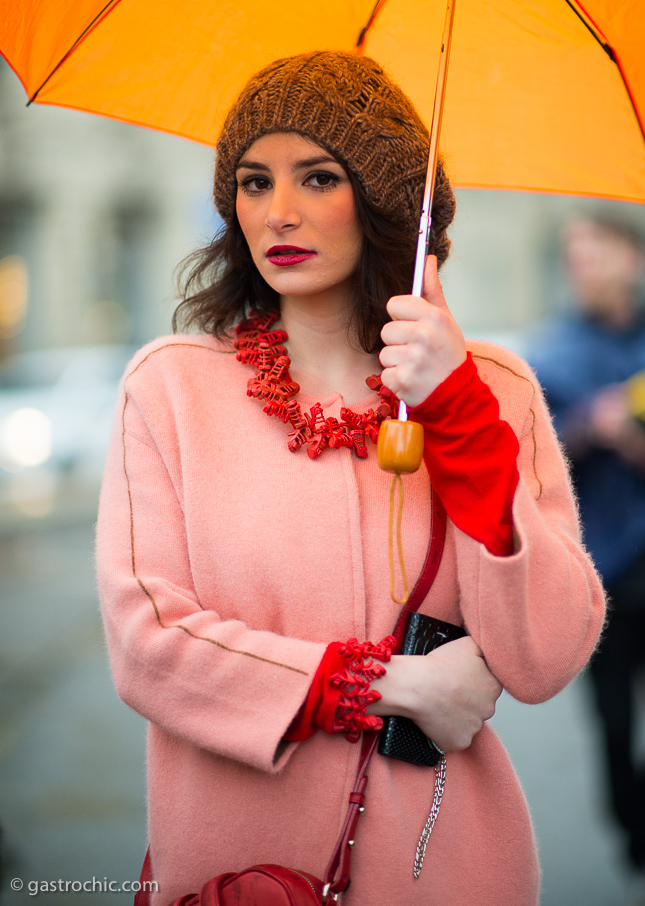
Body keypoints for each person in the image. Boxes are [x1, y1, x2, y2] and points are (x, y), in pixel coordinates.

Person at [96, 51, 605, 906]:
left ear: (388, 208)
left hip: (446, 869)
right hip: (235, 866)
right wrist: (383, 685)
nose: (278, 212)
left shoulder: (496, 391)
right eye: (253, 183)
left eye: (318, 177)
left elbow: (545, 654)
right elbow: (149, 644)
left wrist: (456, 412)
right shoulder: (170, 387)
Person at [528, 215, 645, 896]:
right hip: (594, 562)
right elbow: (530, 459)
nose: (583, 266)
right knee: (615, 721)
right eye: (572, 255)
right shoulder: (551, 352)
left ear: (632, 257)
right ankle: (640, 838)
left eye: (594, 251)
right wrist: (591, 427)